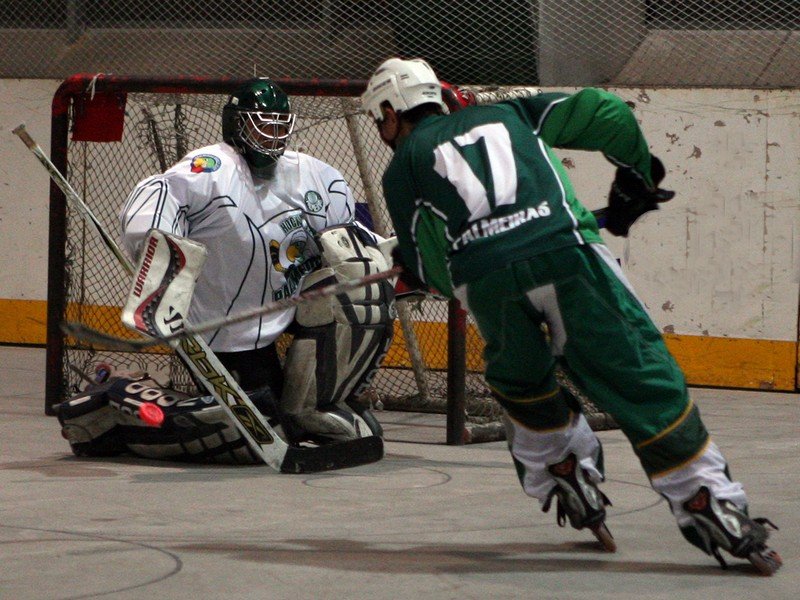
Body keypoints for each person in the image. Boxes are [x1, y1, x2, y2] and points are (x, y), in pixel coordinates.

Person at [360, 57, 781, 574]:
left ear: (391, 111)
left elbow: (431, 268)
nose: (381, 130)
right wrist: (636, 173)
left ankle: (563, 471)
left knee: (521, 381)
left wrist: (415, 270)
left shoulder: (401, 168)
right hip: (567, 254)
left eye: (379, 120)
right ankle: (705, 499)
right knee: (639, 375)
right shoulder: (511, 113)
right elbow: (605, 111)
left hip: (487, 280)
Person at [56, 77, 394, 464]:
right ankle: (112, 408)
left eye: (279, 126)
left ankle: (320, 406)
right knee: (252, 433)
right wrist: (163, 251)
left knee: (362, 284)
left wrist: (394, 255)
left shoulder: (315, 176)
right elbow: (159, 192)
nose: (272, 136)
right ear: (236, 125)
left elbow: (350, 237)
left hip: (289, 314)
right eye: (261, 126)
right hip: (226, 332)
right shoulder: (214, 168)